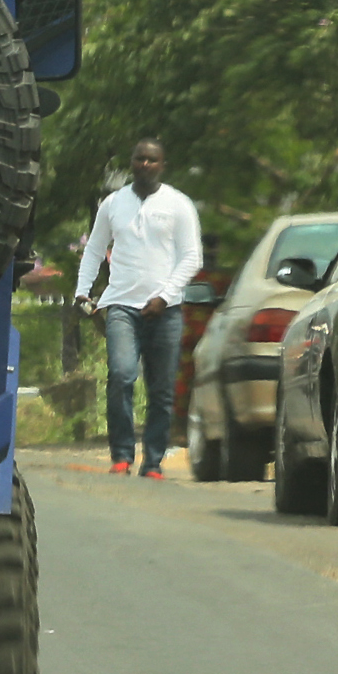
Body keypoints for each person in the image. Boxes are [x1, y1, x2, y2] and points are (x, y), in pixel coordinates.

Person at [74, 138, 203, 479]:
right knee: (121, 374)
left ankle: (154, 461)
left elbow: (192, 257)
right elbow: (94, 249)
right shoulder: (113, 204)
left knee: (161, 389)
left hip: (167, 310)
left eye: (152, 160)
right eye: (139, 159)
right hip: (120, 306)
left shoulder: (178, 204)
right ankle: (121, 455)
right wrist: (81, 292)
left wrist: (165, 295)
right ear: (131, 163)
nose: (145, 165)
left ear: (162, 165)